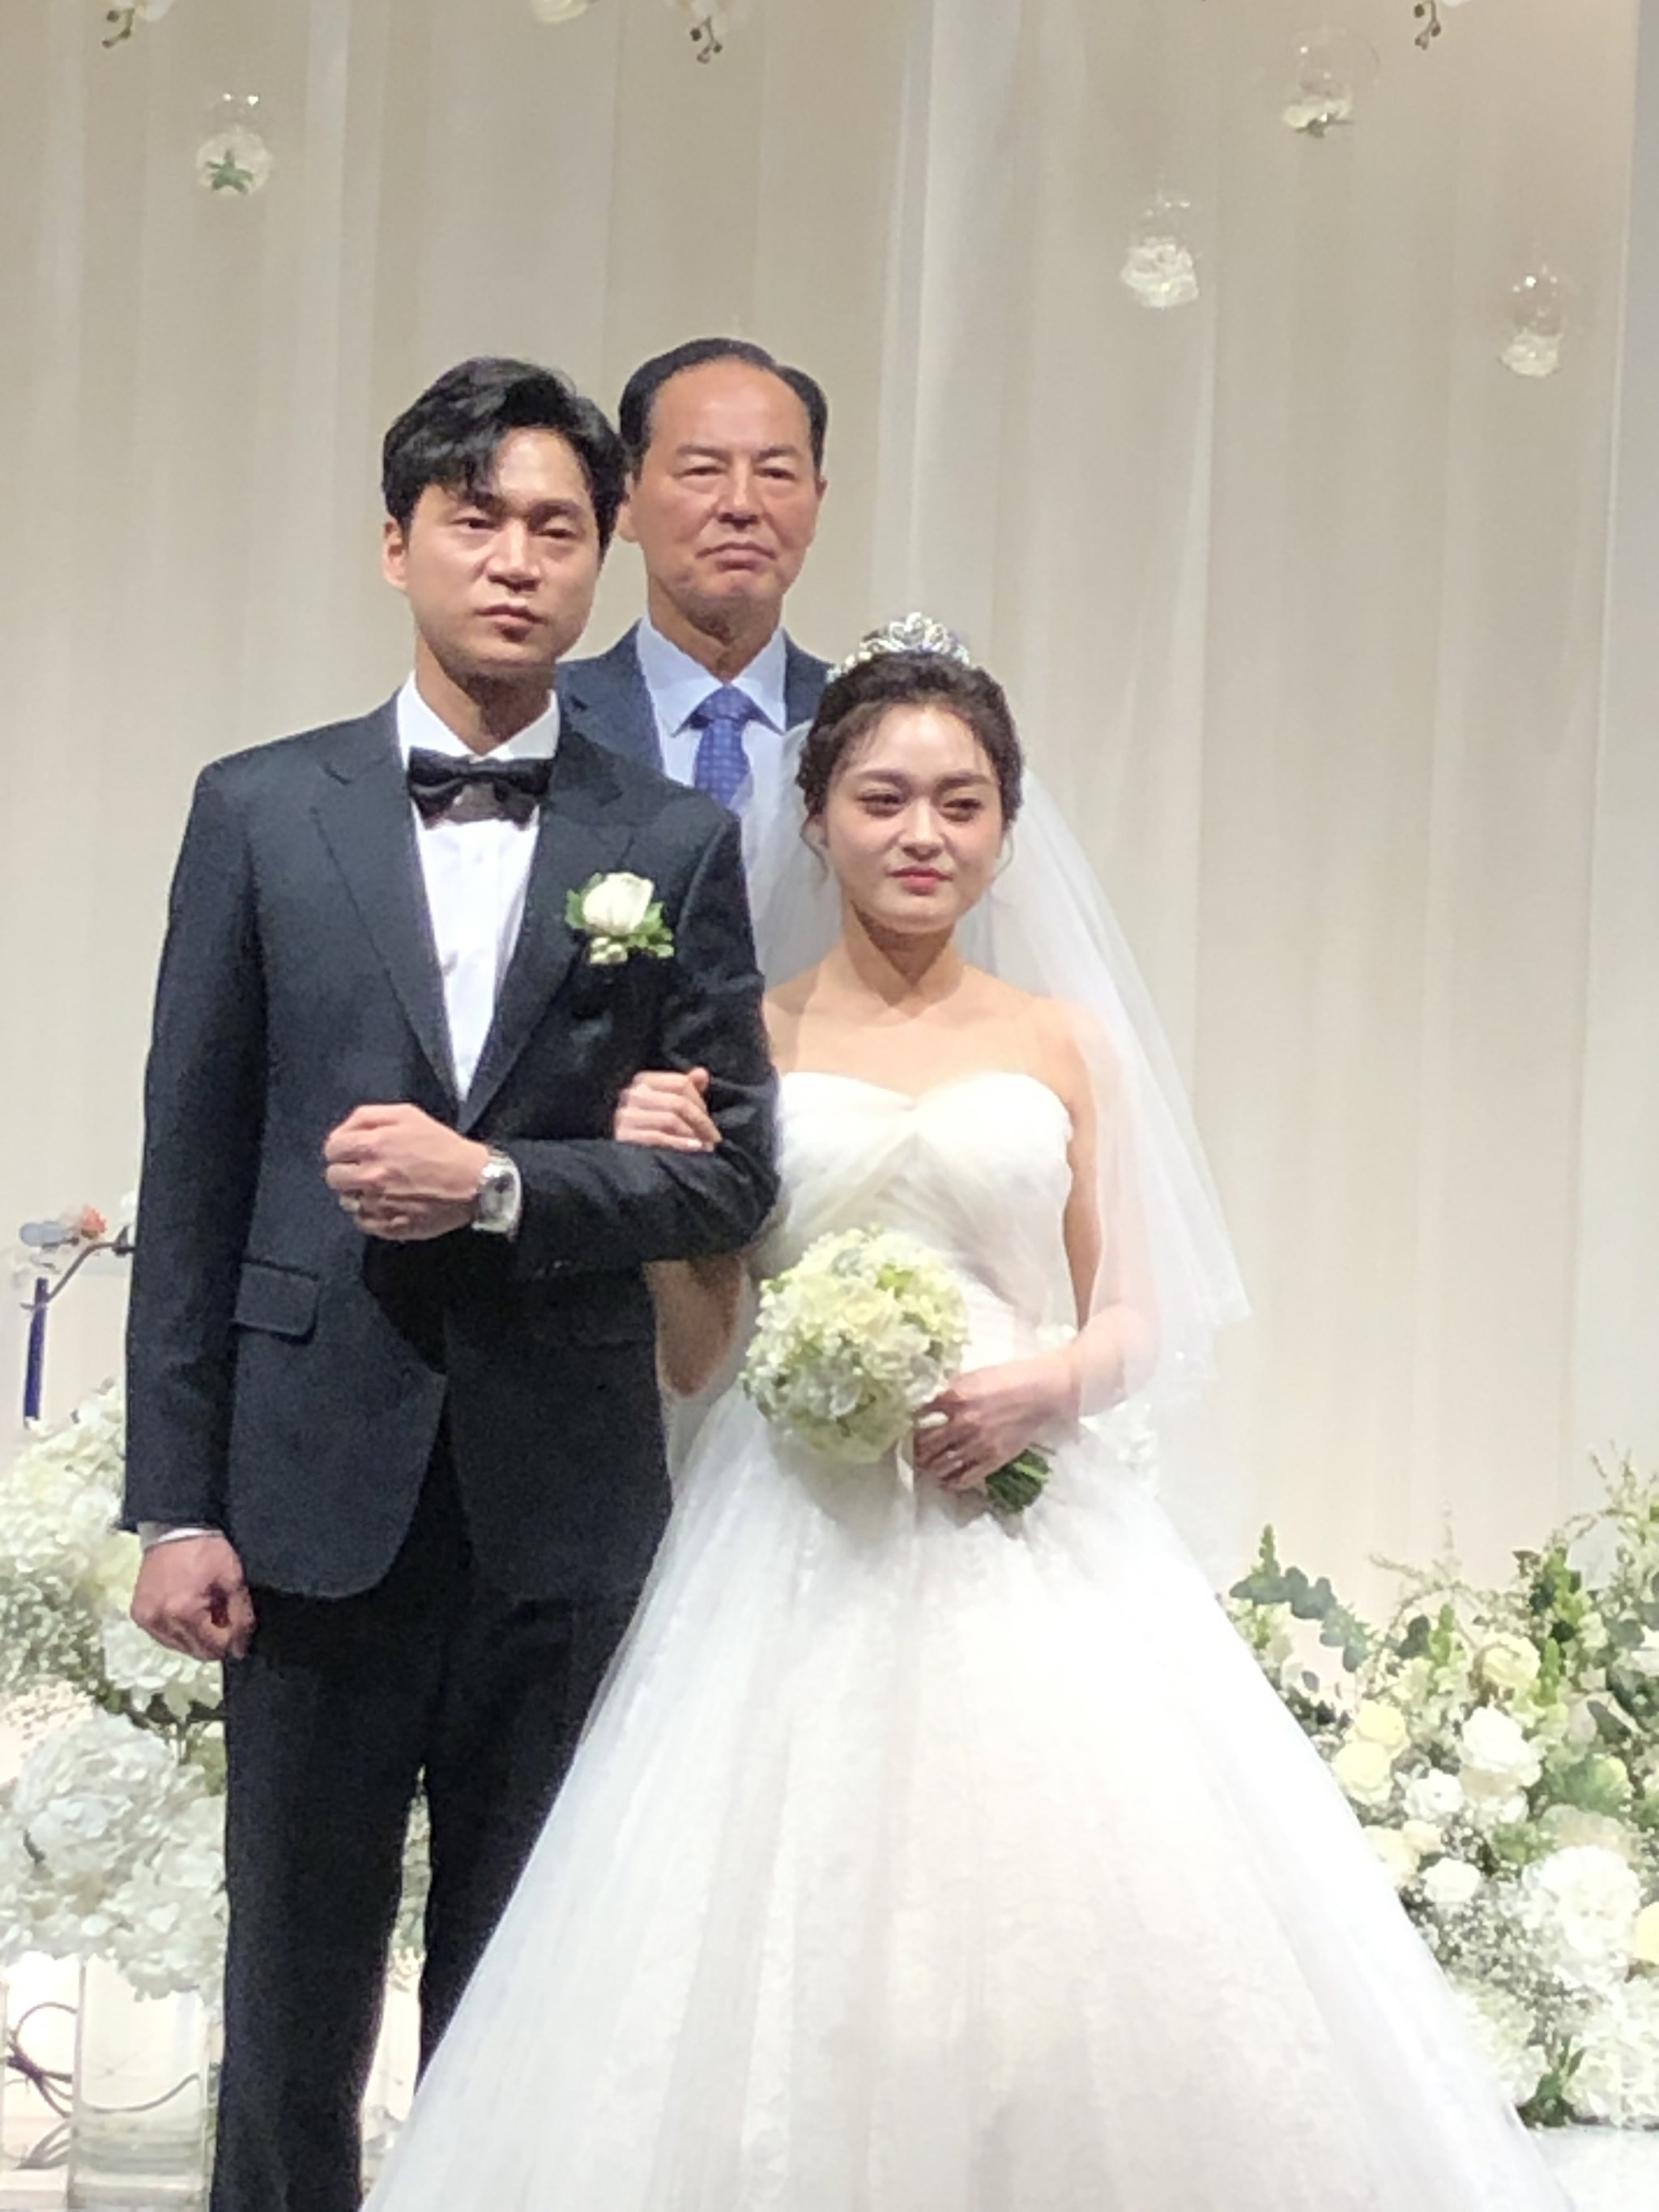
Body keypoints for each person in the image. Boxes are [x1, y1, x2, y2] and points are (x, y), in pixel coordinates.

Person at [364, 626, 1567, 2211]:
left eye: (960, 802)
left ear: (1006, 821)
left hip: (1025, 1512)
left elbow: (1137, 1310)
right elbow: (699, 1356)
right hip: (792, 1527)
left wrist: (1043, 1384)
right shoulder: (746, 1040)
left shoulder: (1063, 1040)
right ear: (813, 816)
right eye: (881, 800)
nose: (920, 835)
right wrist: (657, 1198)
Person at [122, 355, 777, 2212]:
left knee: (524, 2003)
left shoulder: (668, 839)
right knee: (291, 1997)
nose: (515, 559)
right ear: (395, 542)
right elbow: (192, 1165)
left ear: (600, 556)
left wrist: (500, 1185)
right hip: (310, 1488)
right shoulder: (260, 809)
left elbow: (732, 1171)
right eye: (475, 519)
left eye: (556, 527)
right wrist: (176, 1501)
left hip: (558, 1496)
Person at [557, 336, 832, 845]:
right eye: (703, 470)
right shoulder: (546, 717)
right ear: (623, 501)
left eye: (776, 473)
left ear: (816, 500)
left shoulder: (864, 721)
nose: (741, 505)